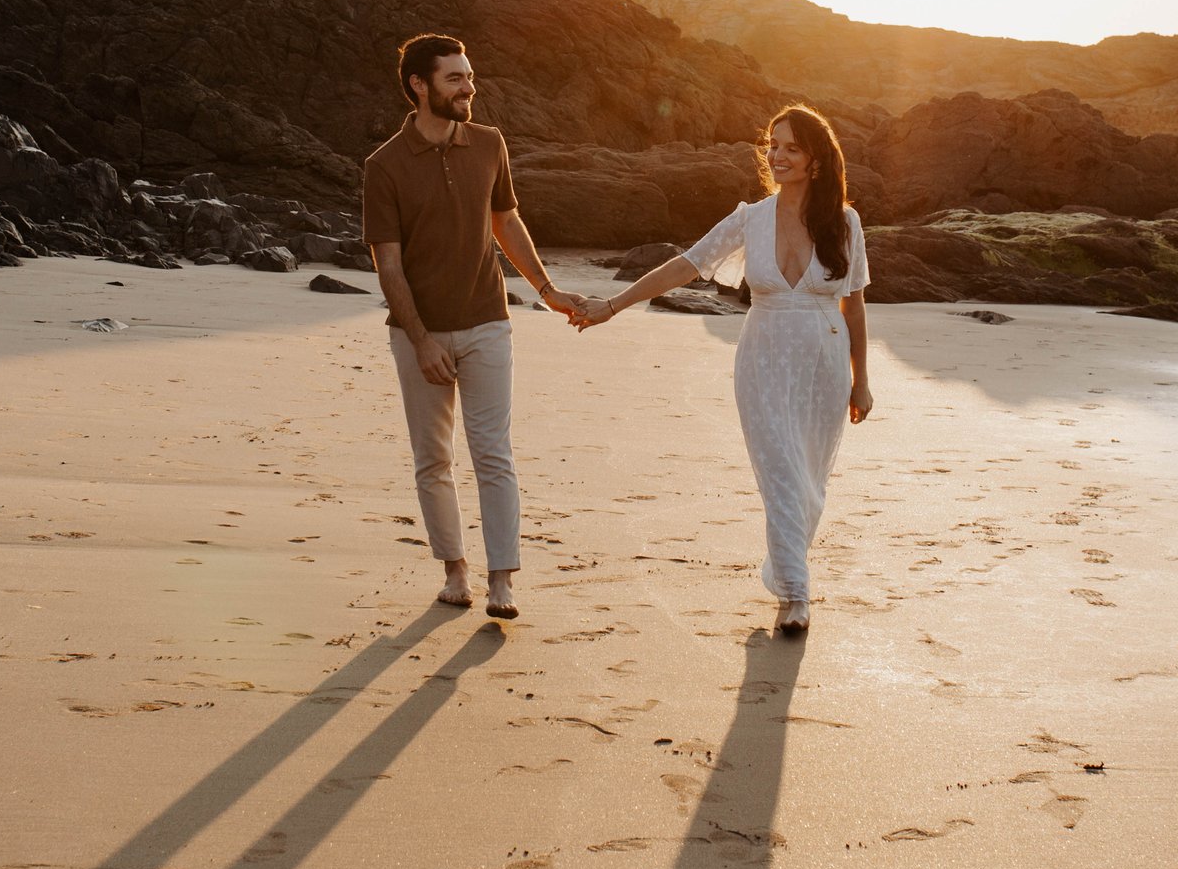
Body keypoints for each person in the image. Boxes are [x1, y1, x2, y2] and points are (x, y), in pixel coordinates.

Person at [572, 105, 871, 635]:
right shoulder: (749, 219)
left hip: (825, 366)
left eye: (791, 148)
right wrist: (614, 304)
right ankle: (798, 595)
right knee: (780, 472)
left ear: (817, 160)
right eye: (773, 145)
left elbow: (855, 306)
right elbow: (685, 264)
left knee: (809, 482)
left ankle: (785, 571)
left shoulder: (844, 222)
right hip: (763, 361)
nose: (777, 155)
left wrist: (862, 380)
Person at [363, 34, 580, 620]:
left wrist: (546, 289)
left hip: (488, 321)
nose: (468, 87)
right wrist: (421, 339)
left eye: (468, 75)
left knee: (493, 453)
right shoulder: (383, 166)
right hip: (419, 335)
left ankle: (502, 581)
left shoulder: (490, 144)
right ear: (419, 86)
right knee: (433, 459)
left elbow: (506, 220)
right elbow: (389, 264)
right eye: (455, 78)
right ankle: (455, 571)